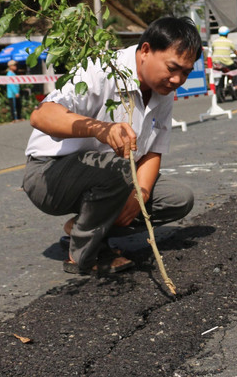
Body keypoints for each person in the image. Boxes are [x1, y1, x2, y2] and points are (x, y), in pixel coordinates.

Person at [22, 17, 201, 275]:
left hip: (112, 176)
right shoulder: (100, 69)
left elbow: (153, 150)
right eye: (173, 68)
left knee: (178, 199)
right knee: (119, 169)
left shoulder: (162, 91)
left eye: (185, 72)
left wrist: (141, 195)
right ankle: (84, 254)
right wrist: (102, 129)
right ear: (146, 50)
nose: (177, 80)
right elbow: (41, 115)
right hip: (49, 176)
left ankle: (84, 226)